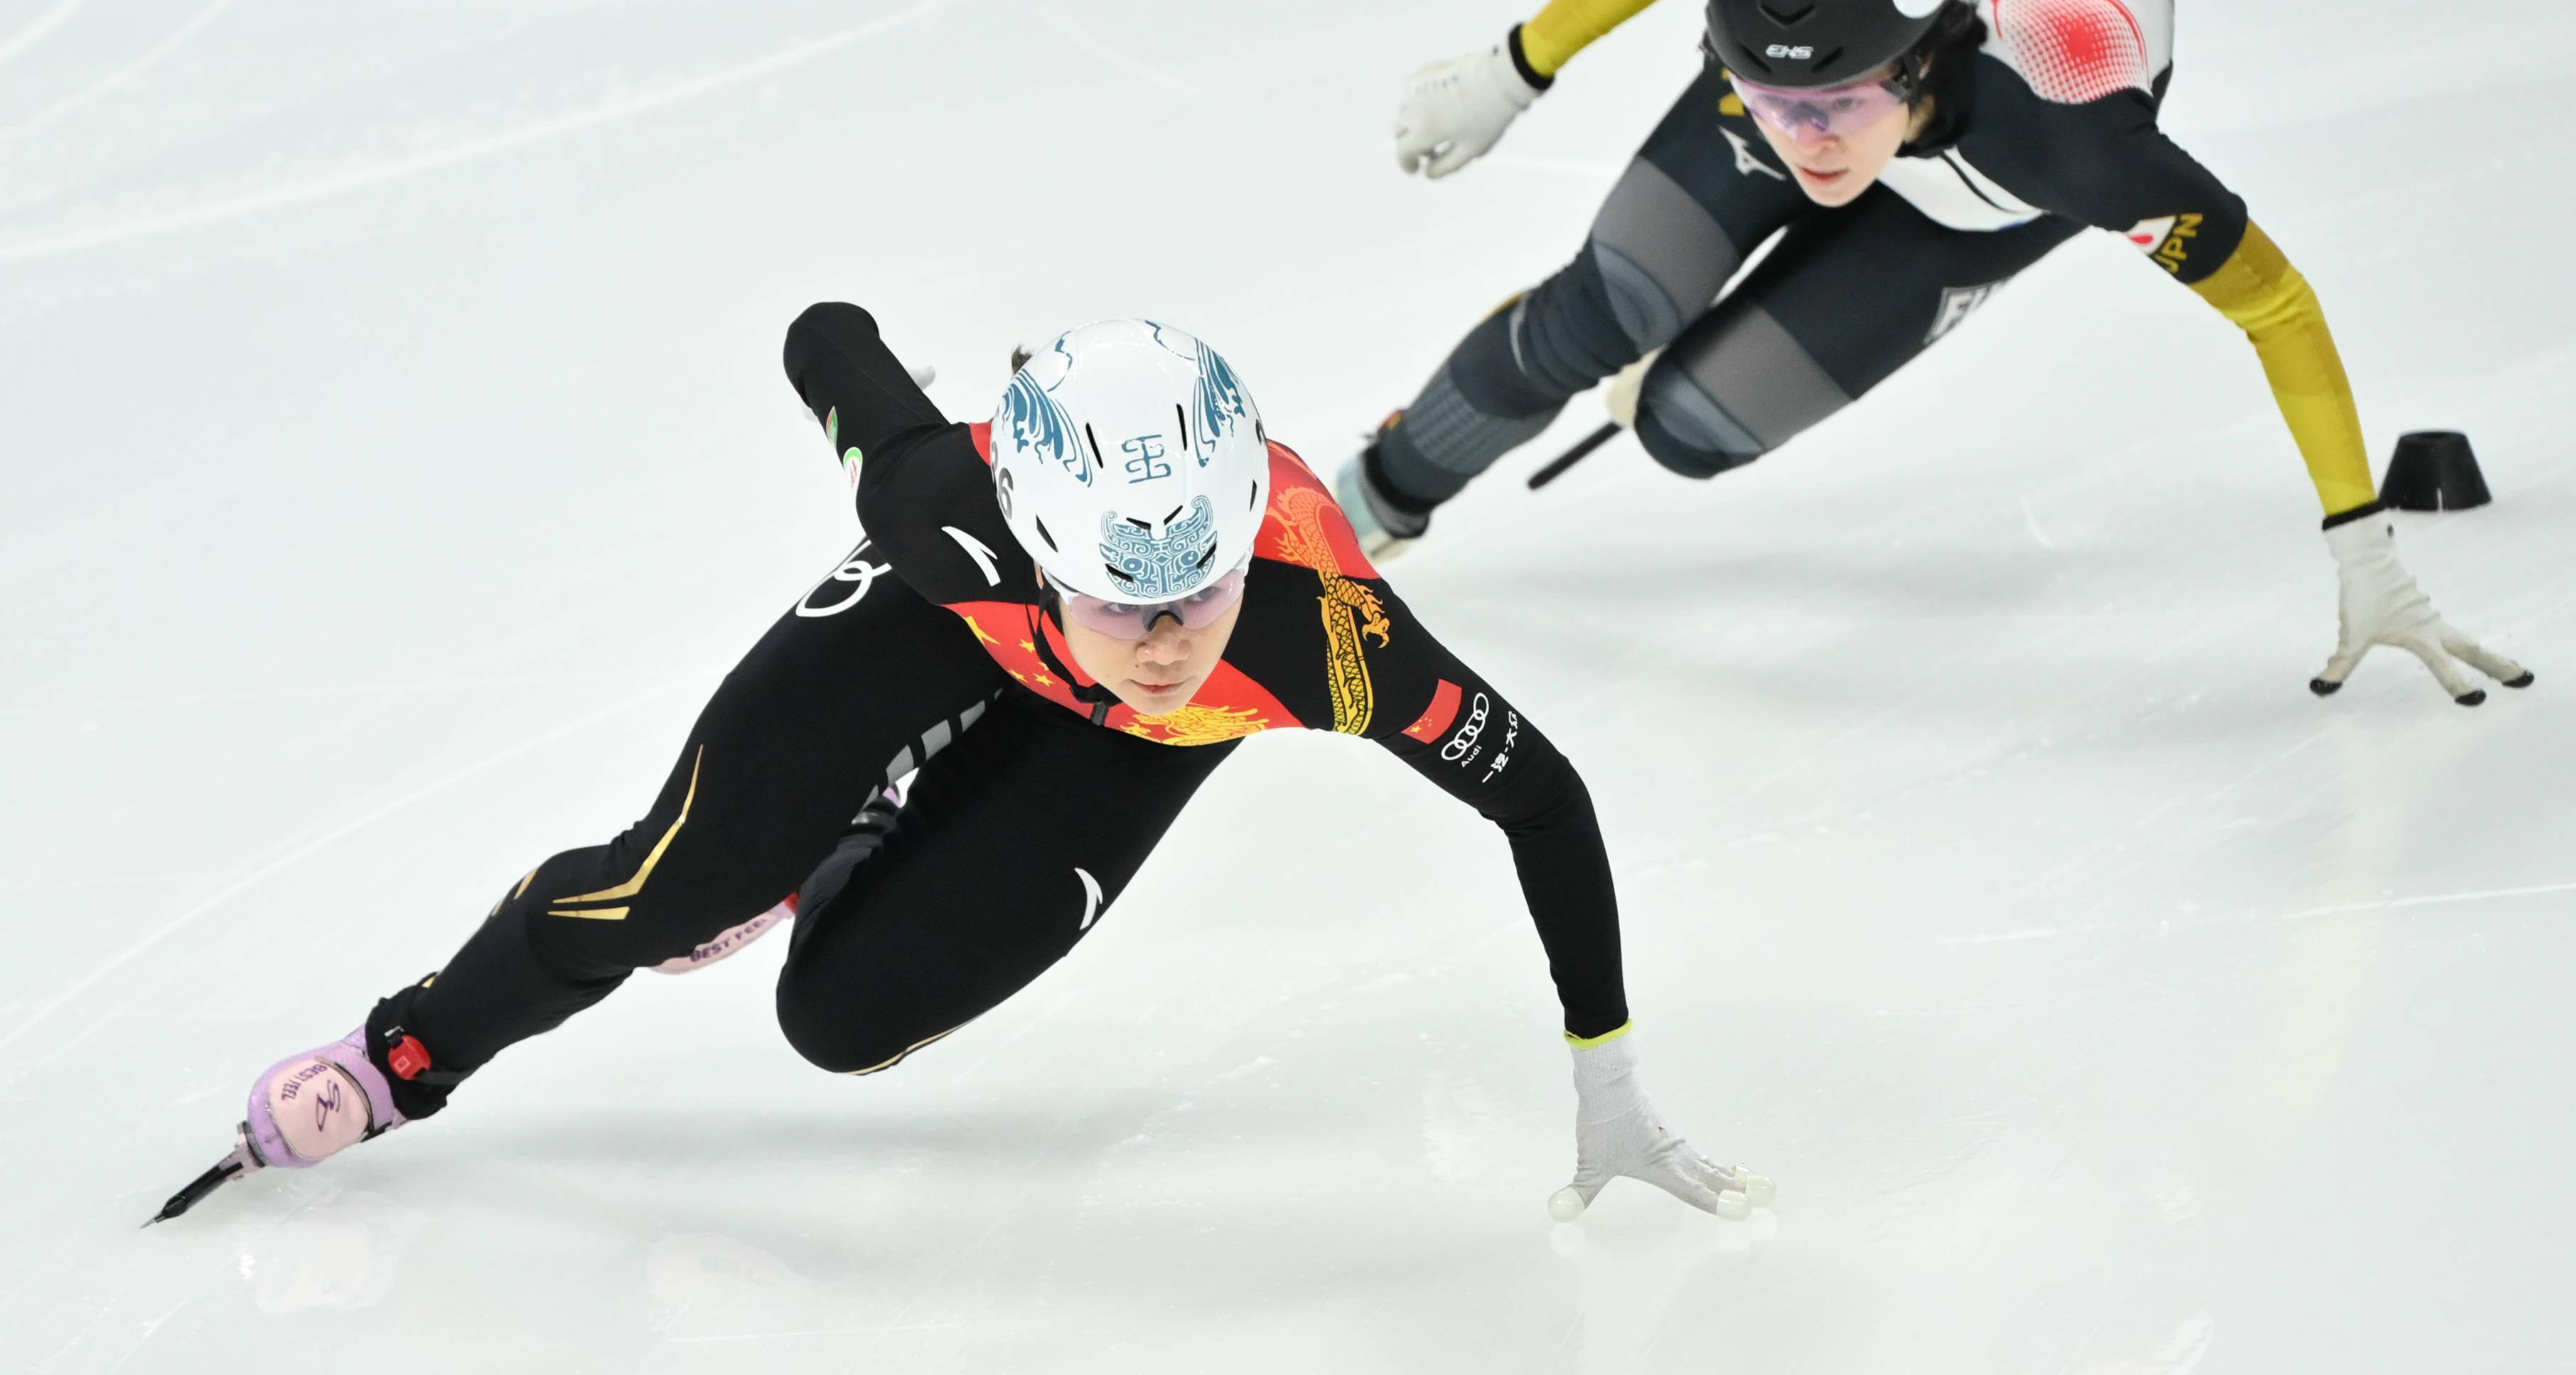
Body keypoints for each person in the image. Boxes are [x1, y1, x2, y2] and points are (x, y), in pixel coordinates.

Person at [154, 309, 1766, 1227]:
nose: (1162, 633)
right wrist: (870, 398)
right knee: (674, 881)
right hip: (949, 638)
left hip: (1121, 752)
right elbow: (826, 340)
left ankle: (857, 838)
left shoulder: (1325, 635)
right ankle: (409, 1052)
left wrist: (1606, 1067)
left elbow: (1539, 796)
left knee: (837, 1024)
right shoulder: (947, 511)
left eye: (1196, 588)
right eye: (1119, 595)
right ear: (1034, 537)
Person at [1338, 0, 2529, 707]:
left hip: (1973, 204)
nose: (1806, 138)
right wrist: (1512, 68)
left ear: (1919, 61)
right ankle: (1373, 495)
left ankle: (1686, 353)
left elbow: (2275, 301)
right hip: (1896, 101)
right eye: (1772, 98)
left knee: (1686, 428)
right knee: (1608, 308)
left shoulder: (2074, 139)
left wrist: (2362, 548)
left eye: (1838, 106)